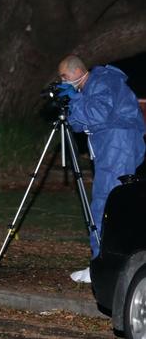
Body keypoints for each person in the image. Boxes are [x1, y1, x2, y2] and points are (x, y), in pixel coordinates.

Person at [57, 55, 145, 283]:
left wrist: (75, 100)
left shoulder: (103, 81)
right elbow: (79, 123)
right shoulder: (93, 86)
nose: (64, 82)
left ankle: (101, 266)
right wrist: (74, 101)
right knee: (113, 206)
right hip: (114, 146)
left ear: (77, 73)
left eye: (64, 78)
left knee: (105, 204)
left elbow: (97, 114)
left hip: (118, 146)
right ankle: (107, 264)